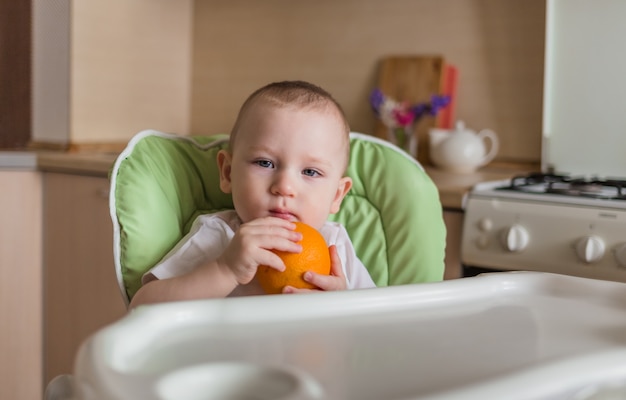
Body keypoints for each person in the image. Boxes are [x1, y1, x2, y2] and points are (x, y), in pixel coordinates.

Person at [129, 80, 376, 308]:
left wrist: (344, 303)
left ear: (337, 195)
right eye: (265, 163)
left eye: (310, 171)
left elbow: (382, 322)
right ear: (227, 173)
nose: (285, 187)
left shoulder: (336, 247)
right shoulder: (219, 238)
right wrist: (225, 269)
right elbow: (141, 308)